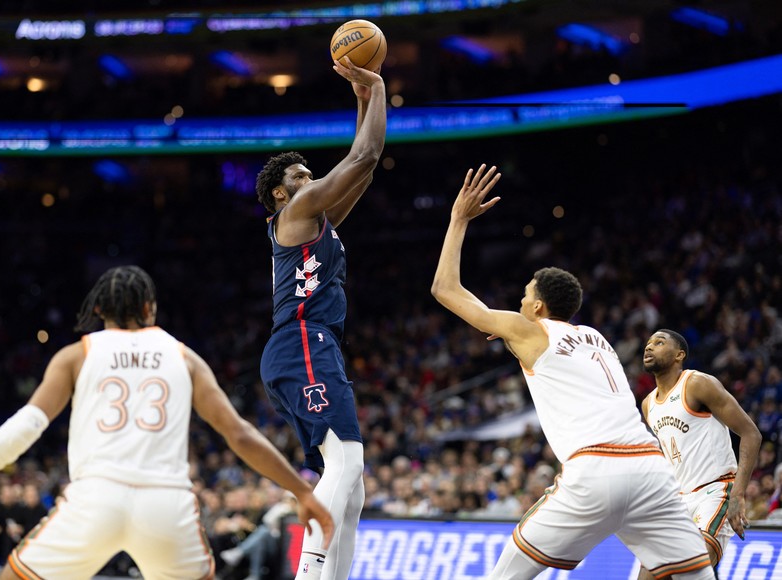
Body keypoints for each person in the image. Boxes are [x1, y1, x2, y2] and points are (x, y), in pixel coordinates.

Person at [0, 265, 333, 580]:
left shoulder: (77, 354)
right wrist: (301, 491)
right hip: (167, 506)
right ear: (151, 308)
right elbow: (238, 434)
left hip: (94, 499)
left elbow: (25, 427)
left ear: (98, 308)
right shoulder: (184, 357)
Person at [431, 164, 714, 579]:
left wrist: (458, 219)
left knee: (505, 575)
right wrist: (515, 340)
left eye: (525, 297)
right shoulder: (596, 338)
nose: (521, 302)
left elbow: (445, 289)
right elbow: (556, 363)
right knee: (696, 577)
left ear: (539, 307)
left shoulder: (528, 328)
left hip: (596, 470)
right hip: (651, 469)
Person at [254, 56, 386, 580]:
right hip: (302, 340)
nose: (311, 179)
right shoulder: (295, 210)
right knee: (348, 462)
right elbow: (367, 151)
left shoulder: (315, 221)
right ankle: (309, 572)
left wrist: (359, 99)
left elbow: (366, 167)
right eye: (301, 175)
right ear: (282, 193)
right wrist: (375, 86)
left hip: (307, 344)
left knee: (352, 486)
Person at [639, 329, 761, 578]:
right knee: (649, 573)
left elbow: (751, 434)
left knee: (690, 568)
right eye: (648, 343)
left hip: (715, 491)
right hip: (679, 498)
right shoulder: (648, 404)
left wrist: (738, 494)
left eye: (659, 343)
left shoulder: (697, 384)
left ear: (679, 355)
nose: (649, 347)